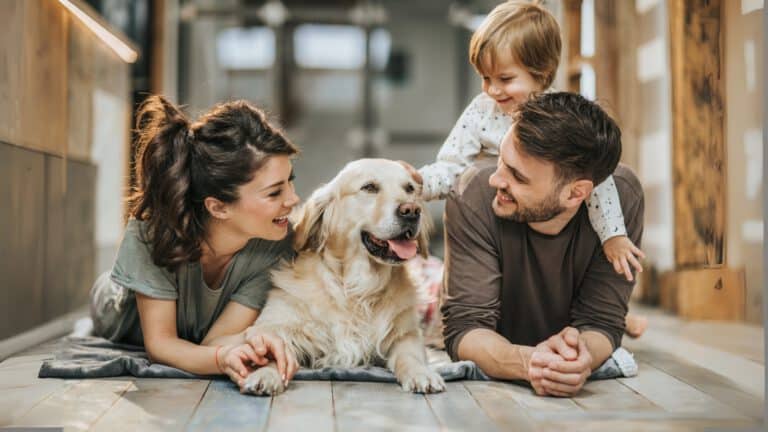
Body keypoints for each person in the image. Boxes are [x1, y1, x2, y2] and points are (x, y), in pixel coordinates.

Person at [401, 0, 646, 336]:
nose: (492, 89)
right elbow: (451, 166)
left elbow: (596, 179)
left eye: (504, 78)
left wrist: (613, 235)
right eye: (485, 78)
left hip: (546, 226)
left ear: (541, 74)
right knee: (433, 291)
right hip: (504, 225)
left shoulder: (562, 121)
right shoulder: (482, 112)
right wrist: (418, 183)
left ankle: (614, 314)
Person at [441, 92, 644, 397]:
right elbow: (465, 328)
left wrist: (581, 358)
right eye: (501, 160)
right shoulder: (472, 194)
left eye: (518, 177)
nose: (496, 180)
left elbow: (601, 322)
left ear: (576, 194)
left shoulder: (623, 198)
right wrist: (529, 362)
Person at [89, 95, 300, 386]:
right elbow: (160, 345)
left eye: (291, 180)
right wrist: (220, 358)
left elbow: (214, 341)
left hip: (198, 327)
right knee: (104, 297)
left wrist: (253, 339)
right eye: (275, 192)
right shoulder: (151, 234)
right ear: (218, 207)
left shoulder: (276, 245)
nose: (294, 199)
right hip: (118, 311)